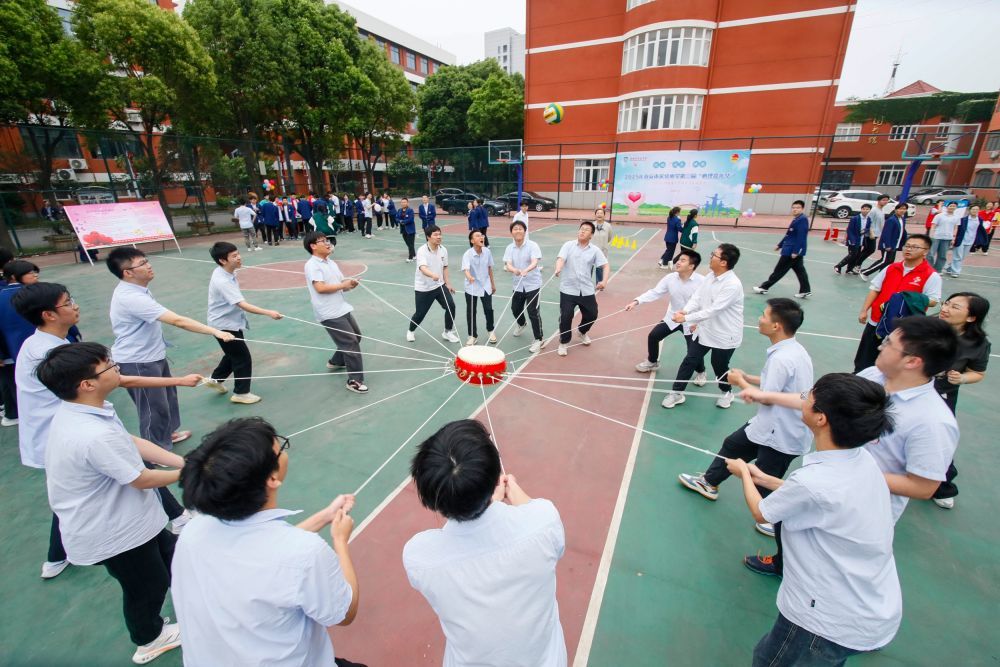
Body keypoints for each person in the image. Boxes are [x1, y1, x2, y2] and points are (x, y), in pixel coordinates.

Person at [726, 373, 901, 666]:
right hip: (869, 608)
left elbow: (762, 512)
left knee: (770, 660)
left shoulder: (814, 481)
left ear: (821, 419)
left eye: (809, 397)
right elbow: (817, 500)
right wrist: (767, 479)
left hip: (823, 619)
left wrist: (744, 472)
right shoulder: (862, 461)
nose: (803, 398)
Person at [38, 342, 188, 664]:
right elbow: (141, 478)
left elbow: (133, 442)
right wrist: (191, 473)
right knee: (146, 585)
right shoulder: (92, 433)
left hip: (129, 520)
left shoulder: (88, 409)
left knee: (172, 553)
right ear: (87, 384)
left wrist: (184, 463)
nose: (117, 367)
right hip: (112, 533)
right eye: (109, 365)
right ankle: (148, 638)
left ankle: (195, 596)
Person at [173, 417, 363, 667]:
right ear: (272, 478)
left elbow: (262, 555)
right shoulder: (304, 552)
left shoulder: (193, 532)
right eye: (280, 449)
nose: (283, 452)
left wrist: (323, 516)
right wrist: (340, 541)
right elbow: (345, 612)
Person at [403, 419, 567, 666]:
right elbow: (536, 518)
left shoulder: (419, 557)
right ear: (494, 477)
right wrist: (505, 495)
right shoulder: (544, 521)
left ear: (431, 498)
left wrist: (489, 504)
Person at [679, 298, 814, 539]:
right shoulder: (792, 350)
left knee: (764, 479)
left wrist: (740, 383)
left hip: (782, 432)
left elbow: (766, 398)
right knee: (733, 445)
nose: (759, 319)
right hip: (770, 425)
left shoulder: (783, 358)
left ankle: (776, 521)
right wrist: (748, 377)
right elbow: (776, 386)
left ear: (777, 326)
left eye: (764, 315)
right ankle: (709, 482)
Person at [106, 247, 235, 449]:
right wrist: (216, 332)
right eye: (142, 264)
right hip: (138, 361)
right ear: (127, 273)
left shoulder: (138, 289)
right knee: (153, 406)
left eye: (146, 260)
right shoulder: (131, 297)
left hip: (152, 355)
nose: (149, 265)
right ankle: (156, 448)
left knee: (167, 398)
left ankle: (168, 434)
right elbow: (177, 320)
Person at [661, 243, 744, 409]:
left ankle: (727, 392)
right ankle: (677, 393)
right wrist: (685, 311)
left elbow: (714, 310)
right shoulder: (710, 276)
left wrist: (687, 319)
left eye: (714, 254)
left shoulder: (732, 285)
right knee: (690, 360)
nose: (711, 256)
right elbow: (697, 298)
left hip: (725, 335)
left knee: (719, 366)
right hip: (705, 330)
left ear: (723, 262)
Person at [201, 242, 283, 405]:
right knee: (242, 358)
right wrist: (269, 313)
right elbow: (242, 304)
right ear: (222, 260)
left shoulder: (224, 271)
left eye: (238, 253)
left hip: (228, 321)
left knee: (233, 353)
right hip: (224, 325)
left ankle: (215, 379)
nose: (239, 257)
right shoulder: (222, 281)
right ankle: (241, 393)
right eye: (234, 256)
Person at [930, 292, 990, 509]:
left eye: (955, 307)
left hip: (941, 395)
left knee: (940, 441)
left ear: (972, 317)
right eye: (947, 303)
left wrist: (963, 377)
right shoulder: (927, 327)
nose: (946, 308)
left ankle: (942, 486)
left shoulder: (977, 344)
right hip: (907, 388)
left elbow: (978, 373)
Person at [853, 233, 940, 373]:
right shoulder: (891, 268)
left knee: (891, 365)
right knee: (864, 360)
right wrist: (864, 310)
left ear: (925, 251)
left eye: (914, 247)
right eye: (907, 246)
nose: (909, 249)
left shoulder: (931, 275)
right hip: (876, 322)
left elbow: (933, 301)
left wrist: (910, 297)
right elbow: (875, 289)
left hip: (902, 329)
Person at [626, 248, 706, 384]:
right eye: (679, 259)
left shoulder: (702, 282)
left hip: (692, 321)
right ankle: (652, 362)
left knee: (693, 351)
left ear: (692, 266)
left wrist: (698, 323)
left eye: (683, 260)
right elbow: (655, 292)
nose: (678, 262)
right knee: (653, 336)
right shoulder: (670, 278)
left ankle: (701, 372)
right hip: (673, 317)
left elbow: (706, 306)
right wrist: (637, 301)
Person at [302, 232, 367, 394]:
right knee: (350, 342)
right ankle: (354, 381)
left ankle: (336, 361)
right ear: (313, 246)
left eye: (327, 240)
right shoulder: (312, 265)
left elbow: (340, 284)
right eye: (323, 241)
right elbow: (321, 288)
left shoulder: (330, 262)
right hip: (329, 311)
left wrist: (350, 284)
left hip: (341, 306)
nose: (327, 243)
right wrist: (342, 285)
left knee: (356, 336)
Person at [554, 221, 609, 357]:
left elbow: (605, 265)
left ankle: (582, 331)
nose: (582, 231)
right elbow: (561, 258)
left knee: (592, 315)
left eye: (586, 230)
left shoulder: (595, 250)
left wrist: (604, 281)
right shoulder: (568, 245)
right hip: (568, 289)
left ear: (591, 235)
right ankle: (564, 342)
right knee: (566, 316)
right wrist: (558, 267)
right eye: (581, 229)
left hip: (586, 289)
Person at [0, 260, 41, 426]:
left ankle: (15, 413)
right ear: (14, 277)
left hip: (10, 351)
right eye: (30, 273)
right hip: (29, 348)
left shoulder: (3, 295)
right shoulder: (33, 295)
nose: (35, 275)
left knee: (15, 383)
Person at [407, 225, 460, 344]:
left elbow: (445, 267)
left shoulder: (443, 250)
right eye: (435, 235)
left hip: (439, 285)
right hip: (424, 288)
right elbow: (422, 268)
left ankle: (447, 332)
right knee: (420, 314)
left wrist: (448, 283)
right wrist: (432, 275)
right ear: (428, 237)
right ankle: (411, 330)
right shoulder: (422, 250)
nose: (439, 237)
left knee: (451, 306)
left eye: (440, 234)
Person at [752, 200, 811, 298]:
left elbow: (801, 237)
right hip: (789, 249)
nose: (795, 209)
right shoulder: (797, 219)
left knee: (779, 270)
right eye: (793, 207)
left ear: (802, 209)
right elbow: (789, 234)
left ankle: (764, 287)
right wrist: (780, 245)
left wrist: (796, 251)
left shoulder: (802, 219)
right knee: (800, 271)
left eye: (798, 208)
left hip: (791, 251)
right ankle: (805, 290)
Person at [503, 219, 545, 353]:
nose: (518, 231)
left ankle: (539, 339)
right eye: (515, 229)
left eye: (520, 228)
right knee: (515, 309)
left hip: (533, 284)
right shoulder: (510, 247)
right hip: (518, 285)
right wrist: (513, 269)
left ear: (525, 231)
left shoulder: (533, 245)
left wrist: (527, 269)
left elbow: (535, 261)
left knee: (533, 311)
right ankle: (522, 324)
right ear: (511, 232)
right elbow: (508, 263)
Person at [461, 230, 497, 345]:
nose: (482, 237)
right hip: (471, 286)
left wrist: (492, 284)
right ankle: (472, 335)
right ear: (472, 241)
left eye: (482, 235)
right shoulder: (467, 254)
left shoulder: (487, 252)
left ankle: (490, 330)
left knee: (488, 309)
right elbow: (466, 270)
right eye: (478, 236)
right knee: (471, 311)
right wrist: (469, 277)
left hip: (486, 285)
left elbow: (489, 268)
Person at [860, 202, 908, 279]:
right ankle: (866, 272)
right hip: (888, 245)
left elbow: (903, 231)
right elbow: (886, 234)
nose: (902, 210)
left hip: (895, 244)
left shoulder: (901, 219)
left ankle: (881, 276)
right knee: (884, 261)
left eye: (904, 209)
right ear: (896, 210)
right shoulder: (891, 220)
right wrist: (887, 245)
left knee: (889, 261)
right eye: (900, 208)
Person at [833, 203, 870, 275]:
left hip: (861, 240)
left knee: (856, 255)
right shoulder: (855, 218)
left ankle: (849, 269)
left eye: (867, 209)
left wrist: (864, 231)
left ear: (869, 210)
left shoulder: (868, 219)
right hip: (853, 240)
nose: (865, 210)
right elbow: (849, 230)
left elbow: (867, 228)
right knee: (852, 254)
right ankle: (838, 266)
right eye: (864, 209)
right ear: (861, 209)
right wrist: (851, 240)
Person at [946, 204, 980, 277]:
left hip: (970, 241)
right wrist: (954, 238)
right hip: (961, 240)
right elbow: (957, 229)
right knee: (958, 256)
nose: (975, 211)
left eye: (977, 209)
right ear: (969, 210)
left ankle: (950, 267)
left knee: (962, 257)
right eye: (973, 209)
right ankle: (955, 272)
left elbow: (980, 231)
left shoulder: (979, 220)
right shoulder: (963, 219)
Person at [857, 194, 890, 267]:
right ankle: (857, 264)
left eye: (887, 200)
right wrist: (871, 233)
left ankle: (856, 264)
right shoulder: (874, 210)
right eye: (883, 200)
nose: (885, 201)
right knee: (870, 250)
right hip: (870, 234)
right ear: (879, 201)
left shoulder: (882, 210)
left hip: (876, 233)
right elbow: (869, 222)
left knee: (866, 250)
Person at [928, 201, 960, 272]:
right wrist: (931, 236)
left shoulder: (957, 217)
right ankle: (928, 269)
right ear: (947, 207)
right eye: (951, 206)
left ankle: (938, 270)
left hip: (947, 238)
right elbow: (933, 226)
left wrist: (953, 238)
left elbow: (955, 228)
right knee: (930, 254)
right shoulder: (939, 215)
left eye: (954, 206)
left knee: (942, 256)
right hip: (936, 237)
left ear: (956, 208)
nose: (952, 207)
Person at [592, 207, 612, 283]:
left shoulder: (608, 226)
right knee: (589, 267)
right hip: (591, 250)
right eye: (598, 213)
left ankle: (599, 283)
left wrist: (603, 245)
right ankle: (586, 283)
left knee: (600, 268)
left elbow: (609, 238)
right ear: (595, 215)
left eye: (601, 213)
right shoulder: (591, 225)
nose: (599, 214)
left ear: (604, 215)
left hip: (602, 251)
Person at [397, 196, 417, 262]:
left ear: (407, 203)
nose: (403, 203)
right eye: (402, 202)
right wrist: (399, 221)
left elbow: (411, 219)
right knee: (408, 244)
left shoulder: (410, 210)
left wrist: (403, 221)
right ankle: (414, 255)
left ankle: (410, 257)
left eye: (404, 202)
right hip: (403, 230)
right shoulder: (399, 210)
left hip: (410, 230)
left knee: (411, 244)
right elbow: (396, 218)